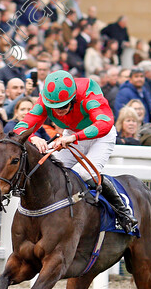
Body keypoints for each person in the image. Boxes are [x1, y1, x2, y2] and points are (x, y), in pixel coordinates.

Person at [14, 70, 138, 231]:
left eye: (63, 106)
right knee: (51, 172)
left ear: (73, 99)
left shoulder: (88, 96)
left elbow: (104, 123)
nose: (58, 111)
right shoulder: (45, 100)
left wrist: (74, 137)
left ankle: (124, 213)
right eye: (54, 107)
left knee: (84, 174)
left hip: (100, 136)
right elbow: (21, 127)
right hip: (72, 134)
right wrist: (33, 138)